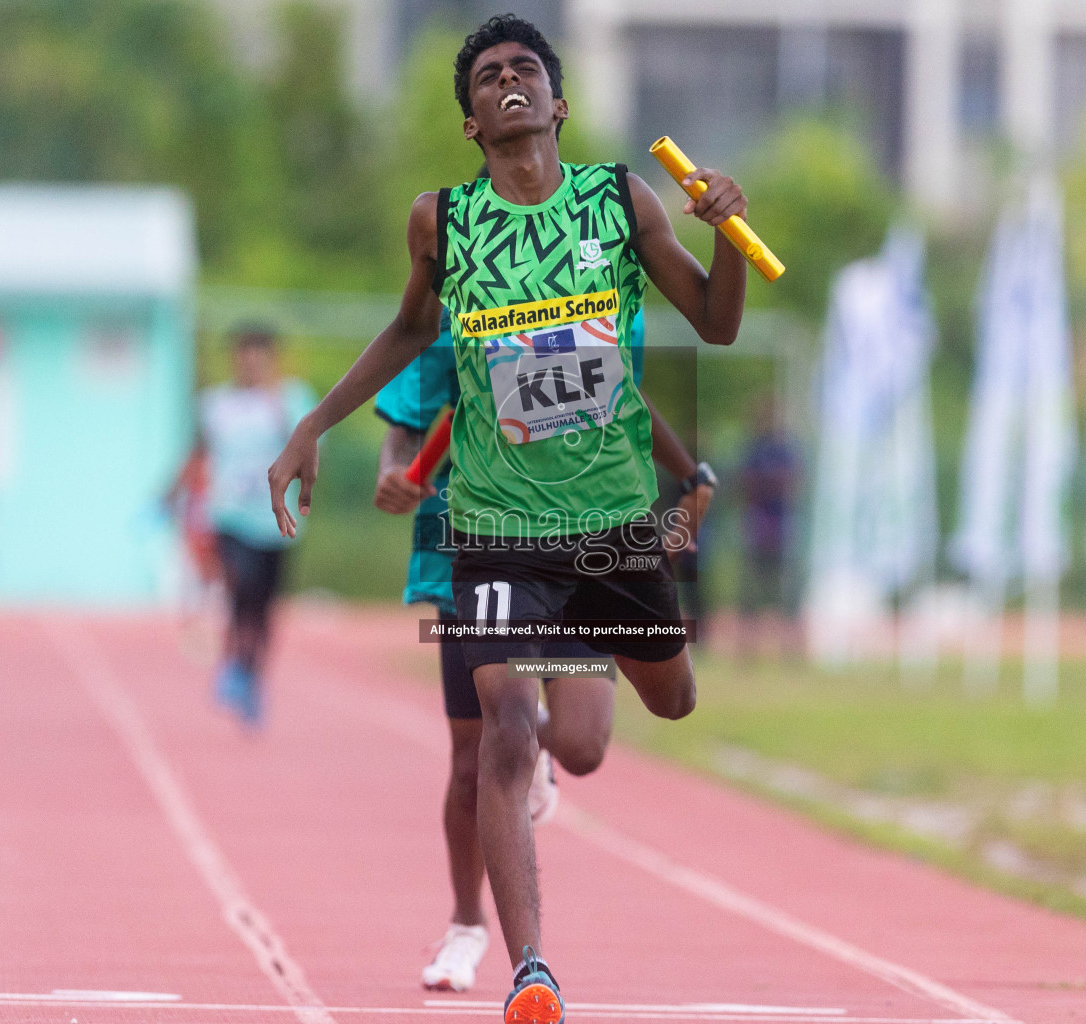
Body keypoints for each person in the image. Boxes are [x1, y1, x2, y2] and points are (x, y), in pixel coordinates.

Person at [267, 15, 749, 1022]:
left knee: (630, 724)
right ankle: (532, 968)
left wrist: (727, 235)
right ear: (471, 121)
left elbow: (717, 320)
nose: (509, 82)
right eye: (488, 77)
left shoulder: (620, 201)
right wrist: (314, 422)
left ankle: (591, 652)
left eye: (526, 68)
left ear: (559, 102)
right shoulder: (443, 220)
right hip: (492, 523)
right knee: (506, 731)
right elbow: (406, 330)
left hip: (613, 519)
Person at [373, 307, 711, 993]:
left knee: (583, 744)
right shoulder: (448, 318)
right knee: (476, 759)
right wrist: (396, 471)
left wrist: (688, 473)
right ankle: (469, 924)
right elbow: (406, 425)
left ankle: (538, 757)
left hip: (581, 547)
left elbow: (624, 396)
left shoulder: (589, 300)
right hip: (479, 553)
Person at [171, 324, 315, 727]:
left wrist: (279, 407)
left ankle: (253, 673)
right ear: (233, 358)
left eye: (259, 354)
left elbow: (309, 449)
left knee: (263, 606)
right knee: (240, 588)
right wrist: (169, 497)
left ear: (272, 359)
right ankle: (233, 663)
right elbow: (197, 452)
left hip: (276, 521)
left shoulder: (292, 399)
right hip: (229, 516)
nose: (250, 362)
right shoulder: (215, 403)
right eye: (243, 354)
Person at [737, 401, 801, 655]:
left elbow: (792, 482)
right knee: (752, 592)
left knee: (787, 592)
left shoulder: (786, 449)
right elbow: (746, 484)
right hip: (759, 526)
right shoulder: (753, 449)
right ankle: (747, 648)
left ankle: (791, 647)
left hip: (781, 527)